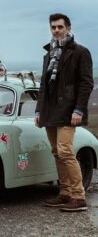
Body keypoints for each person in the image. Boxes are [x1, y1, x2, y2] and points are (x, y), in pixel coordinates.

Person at [35, 13, 94, 212]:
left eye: (60, 27)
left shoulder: (80, 52)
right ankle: (65, 192)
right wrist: (38, 110)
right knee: (56, 153)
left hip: (69, 110)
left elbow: (86, 83)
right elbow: (43, 85)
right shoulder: (49, 54)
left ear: (68, 28)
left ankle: (78, 196)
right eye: (53, 27)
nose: (57, 30)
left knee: (65, 151)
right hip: (50, 111)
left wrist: (79, 109)